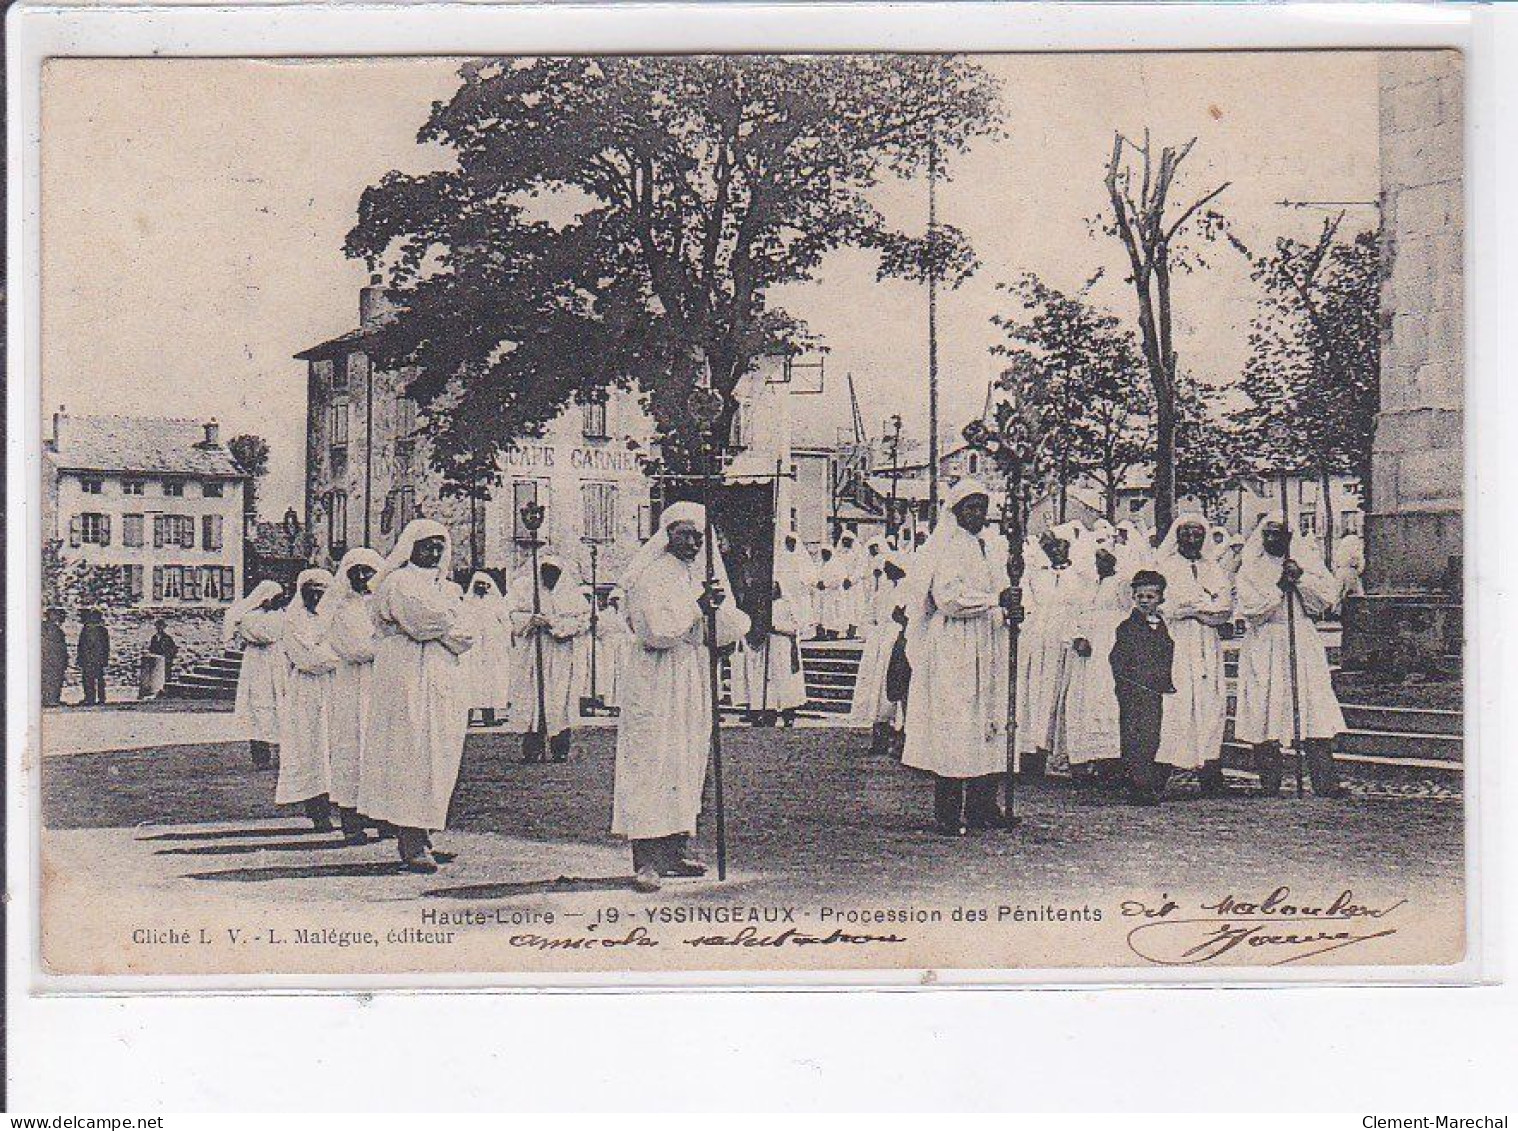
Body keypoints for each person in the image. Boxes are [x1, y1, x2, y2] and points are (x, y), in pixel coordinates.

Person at [613, 502, 749, 892]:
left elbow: (723, 629)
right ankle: (646, 861)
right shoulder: (651, 576)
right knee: (652, 762)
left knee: (686, 762)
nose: (692, 543)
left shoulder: (700, 575)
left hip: (691, 677)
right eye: (684, 534)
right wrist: (697, 609)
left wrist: (719, 616)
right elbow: (653, 630)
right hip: (657, 679)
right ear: (667, 535)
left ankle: (674, 851)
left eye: (698, 536)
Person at [359, 519, 474, 872]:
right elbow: (423, 622)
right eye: (427, 546)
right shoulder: (399, 582)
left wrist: (443, 627)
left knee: (437, 753)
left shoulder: (447, 588)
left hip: (440, 678)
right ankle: (410, 843)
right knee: (410, 752)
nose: (435, 553)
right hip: (406, 675)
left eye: (440, 547)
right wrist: (446, 625)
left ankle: (423, 834)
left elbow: (468, 634)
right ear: (411, 548)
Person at [901, 479, 1013, 836]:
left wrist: (1012, 607)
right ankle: (949, 810)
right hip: (955, 643)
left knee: (988, 719)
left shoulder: (990, 547)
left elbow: (1002, 588)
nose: (977, 514)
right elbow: (949, 598)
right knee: (957, 721)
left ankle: (983, 806)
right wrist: (994, 601)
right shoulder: (947, 547)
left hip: (987, 639)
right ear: (956, 511)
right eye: (970, 507)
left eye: (982, 507)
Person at [1233, 517, 1347, 798]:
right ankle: (1269, 782)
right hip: (1265, 642)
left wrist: (1300, 578)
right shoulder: (1251, 568)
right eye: (1268, 534)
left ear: (1289, 536)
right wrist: (1280, 587)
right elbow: (1253, 610)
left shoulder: (1304, 562)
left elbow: (1325, 600)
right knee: (1264, 708)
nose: (1273, 540)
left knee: (1313, 709)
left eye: (1279, 534)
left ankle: (1325, 782)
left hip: (1301, 639)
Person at [1153, 511, 1235, 796]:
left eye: (1197, 534)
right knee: (1176, 702)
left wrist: (1197, 612)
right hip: (1175, 641)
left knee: (1210, 700)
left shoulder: (1213, 568)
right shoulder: (1165, 566)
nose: (1191, 539)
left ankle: (1210, 772)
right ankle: (1161, 772)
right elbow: (1162, 606)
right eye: (1186, 534)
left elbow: (1224, 607)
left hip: (1206, 643)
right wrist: (1198, 609)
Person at [321, 547, 386, 844]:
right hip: (351, 686)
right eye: (355, 572)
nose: (362, 577)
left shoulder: (384, 605)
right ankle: (351, 822)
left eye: (368, 571)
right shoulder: (340, 610)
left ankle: (387, 820)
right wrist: (387, 648)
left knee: (383, 751)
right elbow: (353, 649)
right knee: (351, 751)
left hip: (382, 685)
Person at [1016, 524, 1092, 779]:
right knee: (1034, 693)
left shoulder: (1082, 575)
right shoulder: (1035, 573)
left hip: (1066, 640)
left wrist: (1080, 633)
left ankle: (1065, 756)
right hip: (1037, 639)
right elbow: (1026, 601)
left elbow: (1086, 606)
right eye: (1050, 546)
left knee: (1063, 693)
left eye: (1061, 545)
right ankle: (1031, 755)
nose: (1056, 550)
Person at [1058, 545, 1131, 784]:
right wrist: (1076, 637)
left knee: (1108, 699)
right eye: (1097, 557)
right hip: (1085, 656)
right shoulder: (1085, 586)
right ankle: (1082, 760)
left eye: (1105, 557)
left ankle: (1110, 763)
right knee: (1081, 700)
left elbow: (1130, 613)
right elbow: (1072, 615)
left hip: (1111, 649)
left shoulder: (1122, 584)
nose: (1101, 562)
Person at [507, 554, 590, 763]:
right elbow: (512, 616)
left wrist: (553, 623)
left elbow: (582, 623)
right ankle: (532, 747)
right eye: (545, 572)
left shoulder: (572, 595)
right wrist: (530, 620)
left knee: (559, 701)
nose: (549, 577)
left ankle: (560, 748)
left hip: (560, 655)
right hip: (534, 656)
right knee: (533, 699)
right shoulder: (528, 592)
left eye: (554, 573)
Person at [1109, 570, 1177, 805]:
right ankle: (1137, 786)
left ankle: (1148, 783)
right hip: (1134, 692)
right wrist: (1128, 684)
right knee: (1134, 738)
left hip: (1154, 692)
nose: (1145, 601)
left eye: (1150, 596)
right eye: (1140, 597)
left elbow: (1166, 655)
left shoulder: (1162, 626)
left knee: (1151, 737)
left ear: (1160, 599)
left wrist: (1164, 681)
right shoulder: (1127, 627)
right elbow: (1117, 659)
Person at [279, 569, 338, 832]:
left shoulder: (336, 617)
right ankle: (318, 811)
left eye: (321, 591)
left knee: (340, 749)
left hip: (338, 689)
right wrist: (338, 656)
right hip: (307, 691)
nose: (315, 596)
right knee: (312, 750)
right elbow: (306, 658)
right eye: (310, 591)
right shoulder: (293, 620)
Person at [853, 555, 910, 756]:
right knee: (876, 693)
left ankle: (900, 740)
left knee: (895, 693)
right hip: (878, 643)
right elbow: (869, 615)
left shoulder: (908, 589)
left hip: (897, 642)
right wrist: (872, 632)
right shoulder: (882, 591)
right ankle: (880, 739)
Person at [228, 580, 287, 768]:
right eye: (275, 598)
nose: (279, 602)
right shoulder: (250, 618)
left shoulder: (280, 615)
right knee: (259, 705)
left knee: (281, 703)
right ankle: (261, 755)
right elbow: (266, 635)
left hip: (277, 661)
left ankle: (282, 752)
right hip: (258, 664)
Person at [738, 580, 808, 727]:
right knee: (768, 681)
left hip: (784, 646)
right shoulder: (762, 605)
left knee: (786, 682)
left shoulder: (787, 604)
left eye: (774, 587)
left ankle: (788, 714)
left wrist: (777, 627)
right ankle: (768, 713)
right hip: (766, 647)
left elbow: (797, 627)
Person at [460, 572, 513, 728]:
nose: (481, 587)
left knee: (491, 681)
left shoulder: (495, 603)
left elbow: (506, 623)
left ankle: (488, 716)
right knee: (471, 681)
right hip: (473, 649)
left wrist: (502, 641)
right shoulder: (468, 603)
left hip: (492, 648)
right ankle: (467, 718)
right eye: (478, 584)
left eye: (484, 584)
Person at [776, 533, 818, 641]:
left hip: (799, 588)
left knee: (802, 608)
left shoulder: (801, 556)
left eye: (792, 542)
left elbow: (810, 572)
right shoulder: (782, 556)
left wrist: (805, 581)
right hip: (786, 587)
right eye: (788, 542)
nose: (790, 545)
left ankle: (804, 632)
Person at [77, 609, 110, 706]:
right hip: (90, 658)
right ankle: (92, 698)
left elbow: (105, 646)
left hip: (94, 659)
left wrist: (104, 658)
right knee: (90, 679)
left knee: (95, 679)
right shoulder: (88, 629)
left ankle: (97, 698)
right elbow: (81, 645)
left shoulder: (99, 630)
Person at [139, 619, 178, 700]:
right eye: (158, 627)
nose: (159, 628)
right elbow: (151, 648)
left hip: (165, 662)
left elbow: (173, 649)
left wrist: (167, 657)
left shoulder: (168, 638)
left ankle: (166, 693)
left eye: (161, 627)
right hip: (156, 662)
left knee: (166, 677)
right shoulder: (154, 638)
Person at [42, 608, 68, 707]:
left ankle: (53, 699)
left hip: (56, 659)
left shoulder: (53, 628)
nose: (60, 617)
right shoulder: (49, 628)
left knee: (56, 680)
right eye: (56, 615)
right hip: (51, 659)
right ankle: (50, 700)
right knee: (51, 680)